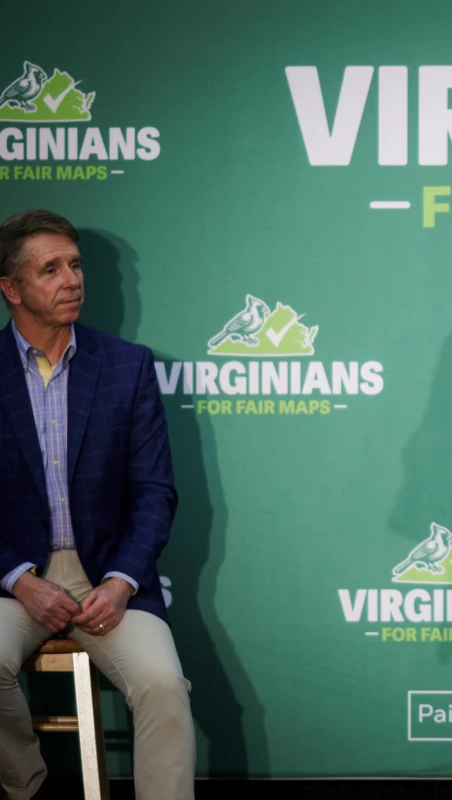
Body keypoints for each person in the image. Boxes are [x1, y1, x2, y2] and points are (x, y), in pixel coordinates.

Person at [0, 210, 194, 799]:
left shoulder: (126, 366)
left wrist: (121, 581)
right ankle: (25, 787)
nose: (72, 279)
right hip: (16, 580)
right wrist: (19, 579)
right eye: (51, 269)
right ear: (11, 288)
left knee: (163, 683)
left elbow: (155, 491)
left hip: (110, 574)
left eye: (76, 265)